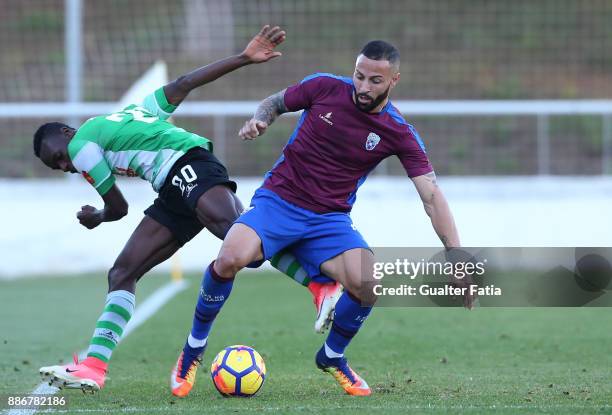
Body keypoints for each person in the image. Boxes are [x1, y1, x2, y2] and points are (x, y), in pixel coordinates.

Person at [34, 25, 341, 395]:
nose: (66, 166)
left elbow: (117, 207)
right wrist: (243, 58)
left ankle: (321, 285)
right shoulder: (127, 116)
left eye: (58, 156)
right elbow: (183, 84)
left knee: (240, 236)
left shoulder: (82, 145)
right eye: (58, 167)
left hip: (187, 166)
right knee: (123, 271)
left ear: (67, 134)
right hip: (172, 188)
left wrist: (97, 216)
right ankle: (94, 367)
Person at [174, 39, 473, 397]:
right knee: (230, 258)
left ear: (394, 80)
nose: (363, 86)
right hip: (278, 201)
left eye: (374, 81)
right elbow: (275, 102)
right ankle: (192, 351)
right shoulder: (325, 87)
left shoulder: (399, 132)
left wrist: (456, 255)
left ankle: (332, 356)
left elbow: (432, 196)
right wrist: (260, 119)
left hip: (330, 220)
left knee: (369, 283)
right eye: (359, 76)